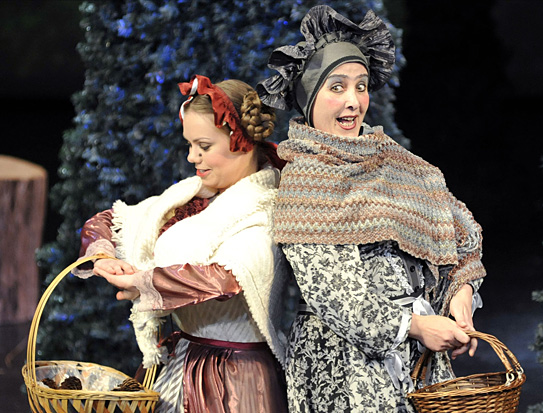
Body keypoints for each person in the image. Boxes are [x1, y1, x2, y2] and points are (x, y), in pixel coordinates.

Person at [257, 5, 486, 412]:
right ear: (309, 97)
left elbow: (460, 234)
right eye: (337, 87)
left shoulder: (395, 162)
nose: (353, 101)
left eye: (361, 86)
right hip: (347, 365)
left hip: (419, 357)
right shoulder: (305, 180)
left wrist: (461, 293)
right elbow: (334, 294)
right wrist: (416, 326)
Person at [75, 75, 290, 413]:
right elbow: (112, 220)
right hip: (181, 362)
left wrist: (145, 282)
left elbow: (227, 277)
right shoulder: (191, 197)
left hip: (232, 378)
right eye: (190, 145)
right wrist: (103, 256)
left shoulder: (265, 207)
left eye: (204, 146)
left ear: (242, 141)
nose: (192, 157)